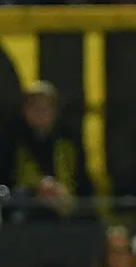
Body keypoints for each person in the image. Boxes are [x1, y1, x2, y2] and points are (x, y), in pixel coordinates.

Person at [0, 81, 93, 223]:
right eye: (34, 106)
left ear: (54, 111)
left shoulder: (68, 140)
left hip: (66, 209)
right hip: (24, 211)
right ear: (24, 110)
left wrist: (60, 193)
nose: (40, 112)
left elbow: (82, 183)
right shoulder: (11, 140)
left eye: (45, 107)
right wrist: (36, 190)